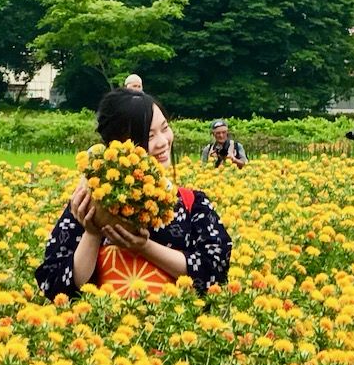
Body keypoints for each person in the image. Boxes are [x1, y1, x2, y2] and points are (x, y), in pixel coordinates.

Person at [35, 89, 232, 300]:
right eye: (149, 136)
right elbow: (55, 286)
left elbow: (215, 271)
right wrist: (93, 231)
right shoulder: (87, 205)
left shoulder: (192, 203)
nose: (163, 142)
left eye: (164, 128)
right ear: (119, 147)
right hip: (103, 329)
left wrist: (145, 247)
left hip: (174, 327)